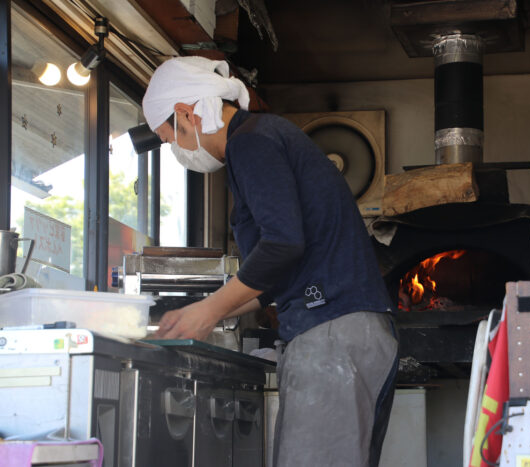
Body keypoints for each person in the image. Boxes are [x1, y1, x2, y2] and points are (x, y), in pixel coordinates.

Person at [142, 56, 398, 467]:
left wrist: (209, 311)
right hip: (346, 331)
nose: (175, 149)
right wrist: (195, 314)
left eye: (168, 137)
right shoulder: (261, 139)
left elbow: (282, 245)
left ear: (186, 114)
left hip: (334, 332)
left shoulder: (252, 141)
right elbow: (271, 281)